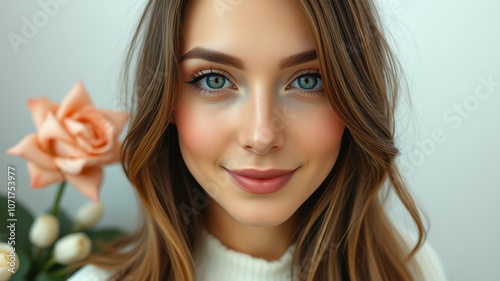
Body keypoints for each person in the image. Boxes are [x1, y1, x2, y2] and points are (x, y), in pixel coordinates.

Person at [69, 0, 448, 280]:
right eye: (214, 80)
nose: (261, 136)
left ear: (356, 99)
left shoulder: (408, 267)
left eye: (308, 80)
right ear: (165, 100)